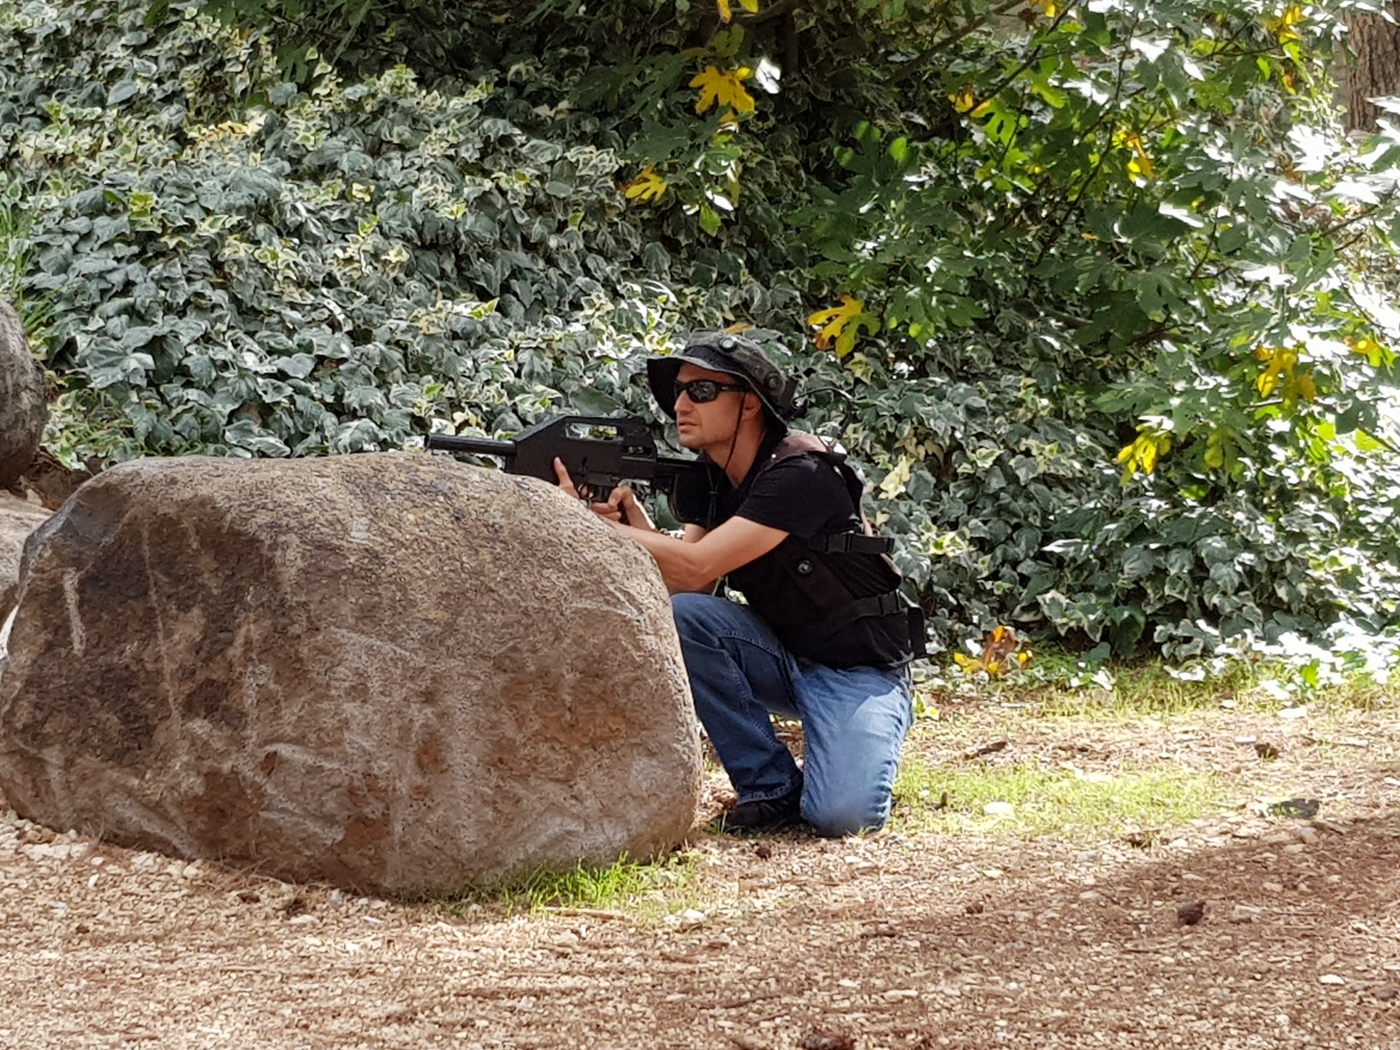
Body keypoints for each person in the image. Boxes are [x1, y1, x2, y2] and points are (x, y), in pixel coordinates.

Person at [553, 331, 920, 837]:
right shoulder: (715, 480)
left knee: (841, 817)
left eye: (701, 391)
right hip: (784, 656)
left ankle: (870, 725)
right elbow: (690, 591)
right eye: (679, 391)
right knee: (686, 619)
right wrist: (632, 524)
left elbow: (695, 565)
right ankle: (769, 787)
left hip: (858, 671)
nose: (680, 405)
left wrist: (588, 525)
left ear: (750, 404)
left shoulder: (801, 474)